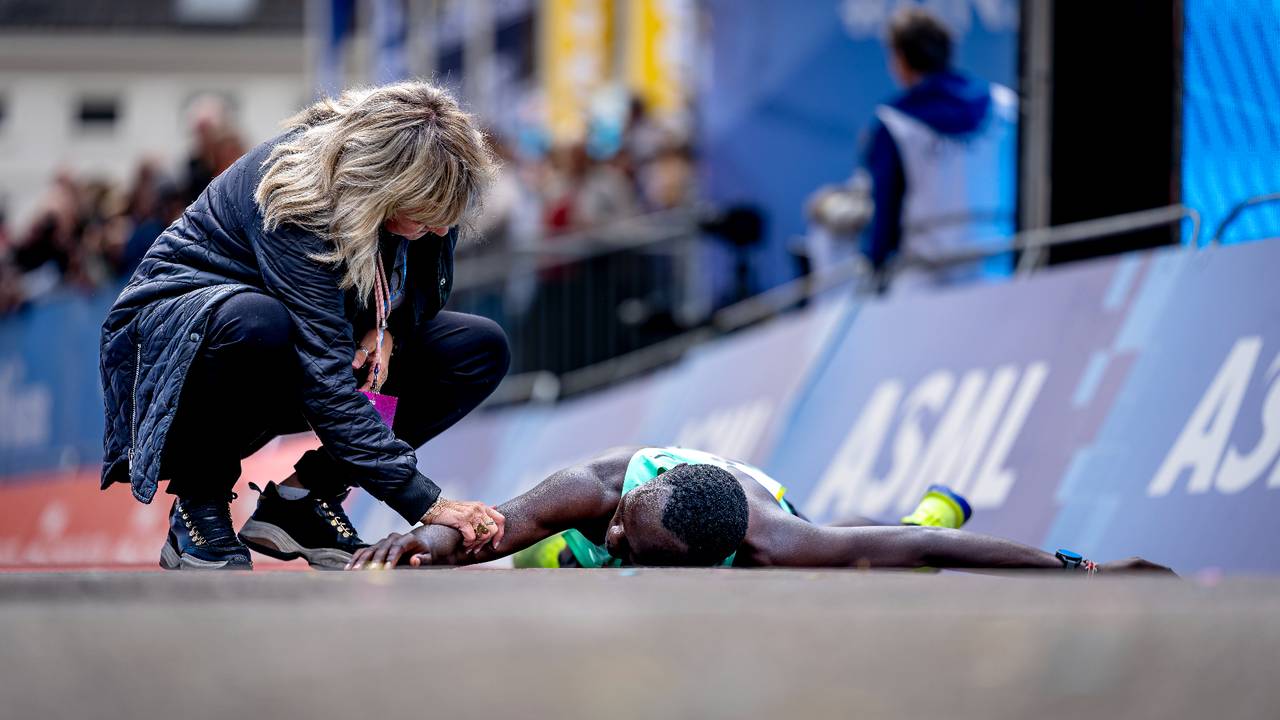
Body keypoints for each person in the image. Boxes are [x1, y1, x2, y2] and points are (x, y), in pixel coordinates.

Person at [99, 81, 509, 571]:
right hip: (181, 355)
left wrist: (387, 327)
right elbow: (326, 381)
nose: (441, 231)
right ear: (380, 184)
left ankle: (304, 501)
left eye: (448, 217)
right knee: (258, 322)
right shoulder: (298, 196)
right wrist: (428, 504)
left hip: (290, 347)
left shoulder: (433, 184)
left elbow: (419, 292)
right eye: (426, 217)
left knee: (477, 347)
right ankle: (199, 502)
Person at [347, 446, 1173, 575]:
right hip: (631, 503)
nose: (613, 532)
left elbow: (920, 551)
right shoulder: (592, 494)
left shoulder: (778, 540)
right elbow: (482, 526)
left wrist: (1083, 570)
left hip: (758, 498)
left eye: (628, 542)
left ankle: (938, 501)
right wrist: (419, 541)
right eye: (621, 521)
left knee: (893, 559)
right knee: (547, 557)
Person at [858, 7, 1018, 290]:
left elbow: (885, 216)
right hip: (997, 273)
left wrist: (874, 264)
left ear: (900, 59)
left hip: (925, 282)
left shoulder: (894, 123)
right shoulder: (1006, 106)